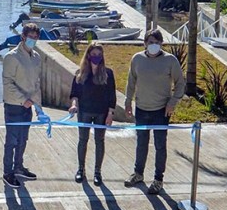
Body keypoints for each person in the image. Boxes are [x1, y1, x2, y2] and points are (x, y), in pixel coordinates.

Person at [123, 28, 185, 195]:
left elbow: (180, 84)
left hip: (161, 112)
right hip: (141, 109)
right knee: (141, 144)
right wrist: (128, 102)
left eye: (157, 42)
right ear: (145, 43)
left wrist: (172, 103)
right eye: (151, 42)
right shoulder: (137, 59)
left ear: (161, 44)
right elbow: (131, 82)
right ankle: (138, 173)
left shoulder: (170, 60)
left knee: (160, 146)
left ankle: (158, 179)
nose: (154, 45)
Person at [1, 23, 43, 189]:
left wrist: (38, 107)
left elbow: (36, 83)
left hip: (28, 106)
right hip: (14, 106)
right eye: (30, 37)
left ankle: (18, 167)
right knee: (11, 141)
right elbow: (7, 83)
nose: (33, 40)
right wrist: (22, 99)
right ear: (23, 37)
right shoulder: (11, 57)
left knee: (23, 139)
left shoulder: (36, 57)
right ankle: (7, 172)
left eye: (36, 37)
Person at [68, 41, 116, 186]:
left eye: (99, 54)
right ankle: (81, 169)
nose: (97, 57)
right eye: (94, 54)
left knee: (99, 141)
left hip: (102, 112)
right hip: (84, 111)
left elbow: (112, 95)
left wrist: (110, 114)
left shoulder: (108, 73)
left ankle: (97, 172)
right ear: (88, 55)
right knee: (83, 140)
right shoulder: (80, 73)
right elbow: (74, 94)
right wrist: (74, 105)